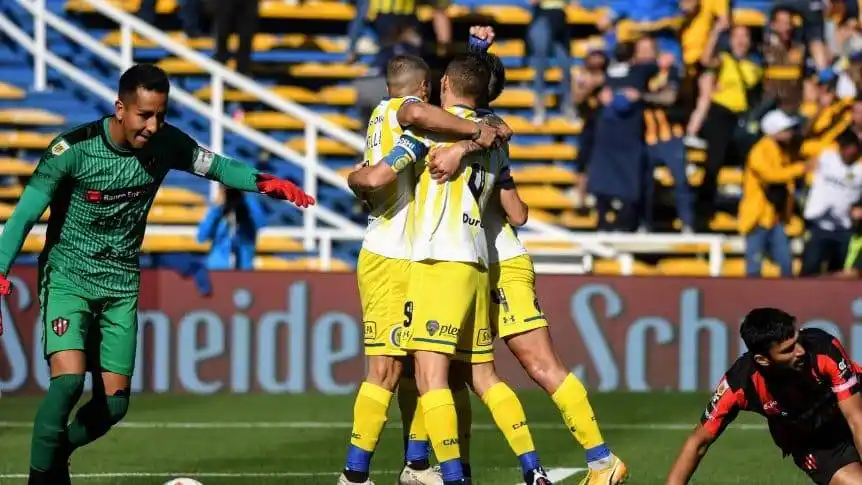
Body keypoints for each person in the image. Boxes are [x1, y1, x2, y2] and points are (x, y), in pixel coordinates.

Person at [0, 64, 314, 485]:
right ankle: (43, 478)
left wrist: (262, 182)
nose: (153, 125)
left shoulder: (167, 144)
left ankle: (57, 450)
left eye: (161, 115)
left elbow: (217, 166)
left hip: (121, 283)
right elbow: (23, 215)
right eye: (144, 115)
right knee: (68, 381)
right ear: (120, 108)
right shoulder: (71, 150)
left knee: (113, 405)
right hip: (68, 276)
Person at [429, 30, 629, 485]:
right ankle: (454, 469)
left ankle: (602, 461)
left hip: (493, 260)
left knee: (538, 365)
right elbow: (519, 211)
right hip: (477, 261)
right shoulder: (492, 133)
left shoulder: (452, 128)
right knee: (458, 372)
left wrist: (466, 147)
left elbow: (514, 215)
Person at [351, 54, 539, 485]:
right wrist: (478, 131)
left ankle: (416, 465)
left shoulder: (409, 127)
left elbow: (460, 104)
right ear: (421, 89)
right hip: (406, 255)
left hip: (421, 256)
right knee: (398, 370)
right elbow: (392, 158)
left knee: (421, 366)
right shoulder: (407, 115)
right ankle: (359, 474)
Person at [666, 307, 862, 485]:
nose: (800, 351)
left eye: (797, 341)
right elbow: (698, 442)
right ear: (763, 359)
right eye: (788, 350)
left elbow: (856, 418)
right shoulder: (740, 384)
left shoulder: (823, 348)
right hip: (817, 443)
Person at [738, 109, 806, 277]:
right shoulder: (759, 151)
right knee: (754, 267)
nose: (790, 133)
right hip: (757, 218)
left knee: (786, 263)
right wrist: (801, 168)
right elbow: (771, 175)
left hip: (776, 217)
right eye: (786, 130)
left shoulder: (782, 150)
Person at [801, 129, 862, 276]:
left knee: (838, 272)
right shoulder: (826, 157)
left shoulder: (859, 170)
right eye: (846, 147)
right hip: (819, 226)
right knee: (810, 269)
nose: (849, 152)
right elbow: (804, 148)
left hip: (844, 228)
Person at [197, 186, 267, 270]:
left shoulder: (248, 216)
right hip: (218, 270)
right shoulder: (217, 215)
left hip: (244, 271)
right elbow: (202, 237)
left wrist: (248, 196)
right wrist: (216, 207)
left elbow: (261, 223)